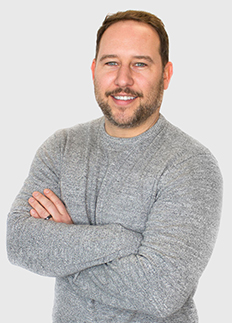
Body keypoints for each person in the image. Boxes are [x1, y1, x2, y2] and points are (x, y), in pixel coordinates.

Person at [7, 10, 223, 323]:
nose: (123, 80)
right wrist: (122, 241)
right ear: (94, 70)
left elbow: (160, 291)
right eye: (111, 63)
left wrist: (66, 246)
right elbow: (19, 242)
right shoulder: (62, 147)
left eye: (140, 63)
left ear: (166, 74)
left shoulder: (190, 165)